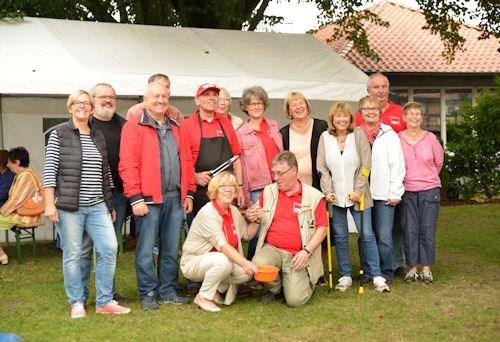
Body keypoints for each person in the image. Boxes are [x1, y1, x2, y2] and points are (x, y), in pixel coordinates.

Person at [44, 90, 130, 318]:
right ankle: (77, 302)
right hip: (70, 207)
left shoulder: (97, 135)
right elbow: (50, 171)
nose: (82, 106)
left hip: (98, 205)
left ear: (92, 109)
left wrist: (109, 204)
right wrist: (49, 204)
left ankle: (104, 301)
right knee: (73, 254)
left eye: (87, 103)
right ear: (70, 107)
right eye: (78, 103)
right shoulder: (59, 134)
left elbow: (106, 174)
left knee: (110, 248)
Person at [120, 82, 195, 310]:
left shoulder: (177, 127)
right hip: (148, 199)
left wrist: (189, 192)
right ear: (145, 98)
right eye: (155, 96)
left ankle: (168, 291)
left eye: (164, 96)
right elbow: (127, 164)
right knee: (145, 250)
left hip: (175, 198)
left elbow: (187, 162)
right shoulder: (133, 127)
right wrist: (135, 197)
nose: (160, 100)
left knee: (171, 248)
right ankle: (148, 292)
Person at [317, 103, 390, 293]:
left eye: (345, 116)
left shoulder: (358, 135)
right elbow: (322, 168)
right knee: (340, 237)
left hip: (360, 196)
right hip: (336, 197)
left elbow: (366, 164)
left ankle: (376, 275)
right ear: (332, 119)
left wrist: (358, 190)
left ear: (350, 119)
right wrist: (327, 191)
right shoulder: (325, 137)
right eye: (338, 116)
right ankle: (345, 275)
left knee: (366, 234)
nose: (341, 120)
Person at [249, 151, 328, 307]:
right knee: (258, 264)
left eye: (280, 173)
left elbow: (322, 229)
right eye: (274, 173)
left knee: (295, 301)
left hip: (298, 254)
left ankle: (297, 283)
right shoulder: (269, 191)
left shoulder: (314, 197)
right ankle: (276, 289)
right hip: (272, 249)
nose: (276, 178)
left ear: (293, 171)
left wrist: (307, 252)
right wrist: (253, 216)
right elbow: (256, 215)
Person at [180, 171, 260, 312]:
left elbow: (247, 235)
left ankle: (216, 289)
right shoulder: (208, 212)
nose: (228, 189)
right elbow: (223, 246)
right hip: (193, 261)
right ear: (215, 190)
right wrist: (245, 262)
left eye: (232, 186)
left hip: (217, 261)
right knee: (226, 260)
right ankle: (203, 297)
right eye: (223, 186)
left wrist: (257, 221)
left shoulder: (233, 210)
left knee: (246, 273)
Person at [354, 73, 407, 277]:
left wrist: (395, 190)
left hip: (385, 191)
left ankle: (387, 270)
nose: (380, 90)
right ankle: (368, 270)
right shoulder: (355, 131)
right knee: (366, 234)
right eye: (376, 87)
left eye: (384, 86)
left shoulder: (390, 134)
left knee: (386, 235)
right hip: (362, 192)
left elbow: (397, 164)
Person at [236, 86, 283, 260]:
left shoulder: (273, 126)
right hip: (257, 188)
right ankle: (251, 269)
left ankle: (273, 268)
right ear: (245, 107)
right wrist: (243, 191)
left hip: (278, 183)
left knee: (276, 226)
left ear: (264, 105)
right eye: (252, 104)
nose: (256, 107)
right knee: (258, 228)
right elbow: (240, 164)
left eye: (259, 103)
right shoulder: (241, 133)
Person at [399, 102, 444, 283]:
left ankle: (426, 268)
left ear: (422, 118)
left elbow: (438, 163)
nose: (414, 117)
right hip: (407, 190)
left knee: (427, 229)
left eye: (418, 114)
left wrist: (427, 178)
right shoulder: (398, 138)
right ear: (404, 118)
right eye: (411, 114)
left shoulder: (431, 138)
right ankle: (412, 268)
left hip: (429, 190)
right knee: (410, 230)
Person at [0, 147, 43, 265]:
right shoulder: (24, 174)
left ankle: (2, 255)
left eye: (9, 162)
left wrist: (1, 211)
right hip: (20, 213)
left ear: (17, 162)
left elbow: (15, 200)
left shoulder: (25, 175)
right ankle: (1, 255)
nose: (7, 165)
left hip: (25, 216)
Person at [280, 92, 327, 191]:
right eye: (294, 104)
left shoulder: (321, 126)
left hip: (319, 186)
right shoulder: (284, 133)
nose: (298, 107)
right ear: (289, 112)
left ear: (306, 106)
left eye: (301, 103)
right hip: (294, 187)